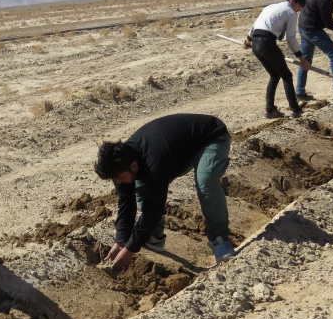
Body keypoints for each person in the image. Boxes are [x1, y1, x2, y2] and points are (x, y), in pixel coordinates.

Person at [94, 114, 236, 270]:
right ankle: (154, 237)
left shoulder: (154, 161)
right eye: (115, 179)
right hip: (179, 151)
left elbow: (153, 208)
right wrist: (121, 240)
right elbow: (126, 203)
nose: (118, 182)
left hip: (211, 136)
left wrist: (131, 249)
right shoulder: (121, 164)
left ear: (134, 165)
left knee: (205, 181)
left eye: (119, 177)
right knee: (140, 188)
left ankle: (220, 241)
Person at [243, 0, 311, 119]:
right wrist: (302, 59)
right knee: (287, 76)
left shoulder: (270, 7)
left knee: (274, 75)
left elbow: (254, 26)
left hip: (256, 45)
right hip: (267, 43)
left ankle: (270, 110)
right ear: (292, 2)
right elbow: (291, 38)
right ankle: (295, 110)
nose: (297, 11)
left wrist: (248, 40)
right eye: (298, 8)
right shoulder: (290, 13)